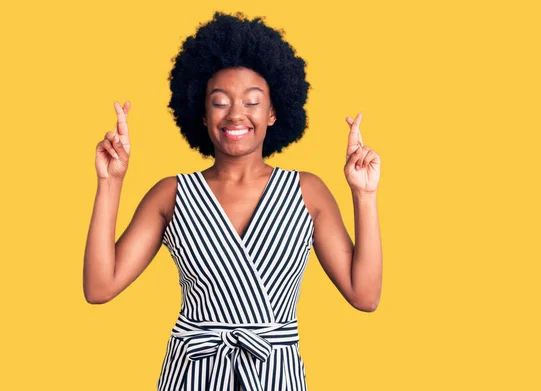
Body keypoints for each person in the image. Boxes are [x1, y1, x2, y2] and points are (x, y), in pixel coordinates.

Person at [83, 11, 382, 391]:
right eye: (220, 101)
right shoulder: (171, 194)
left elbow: (365, 295)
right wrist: (110, 182)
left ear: (274, 112)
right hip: (191, 376)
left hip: (276, 376)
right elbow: (99, 287)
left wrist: (364, 194)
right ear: (203, 113)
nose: (236, 114)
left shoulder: (308, 192)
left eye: (252, 102)